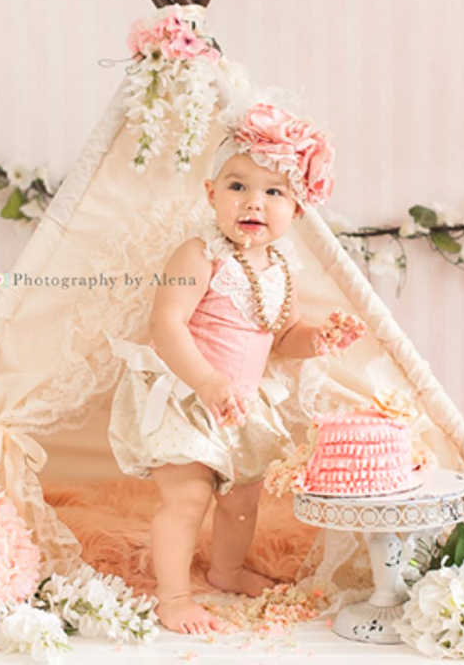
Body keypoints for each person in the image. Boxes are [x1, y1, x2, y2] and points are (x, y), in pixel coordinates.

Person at [108, 102, 367, 634]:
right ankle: (174, 597)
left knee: (242, 500)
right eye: (237, 186)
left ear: (296, 210)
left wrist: (319, 338)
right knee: (189, 496)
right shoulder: (200, 255)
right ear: (211, 195)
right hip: (187, 395)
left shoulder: (282, 270)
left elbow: (284, 337)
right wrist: (205, 380)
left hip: (240, 405)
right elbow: (168, 324)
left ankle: (226, 569)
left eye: (274, 191)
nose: (254, 201)